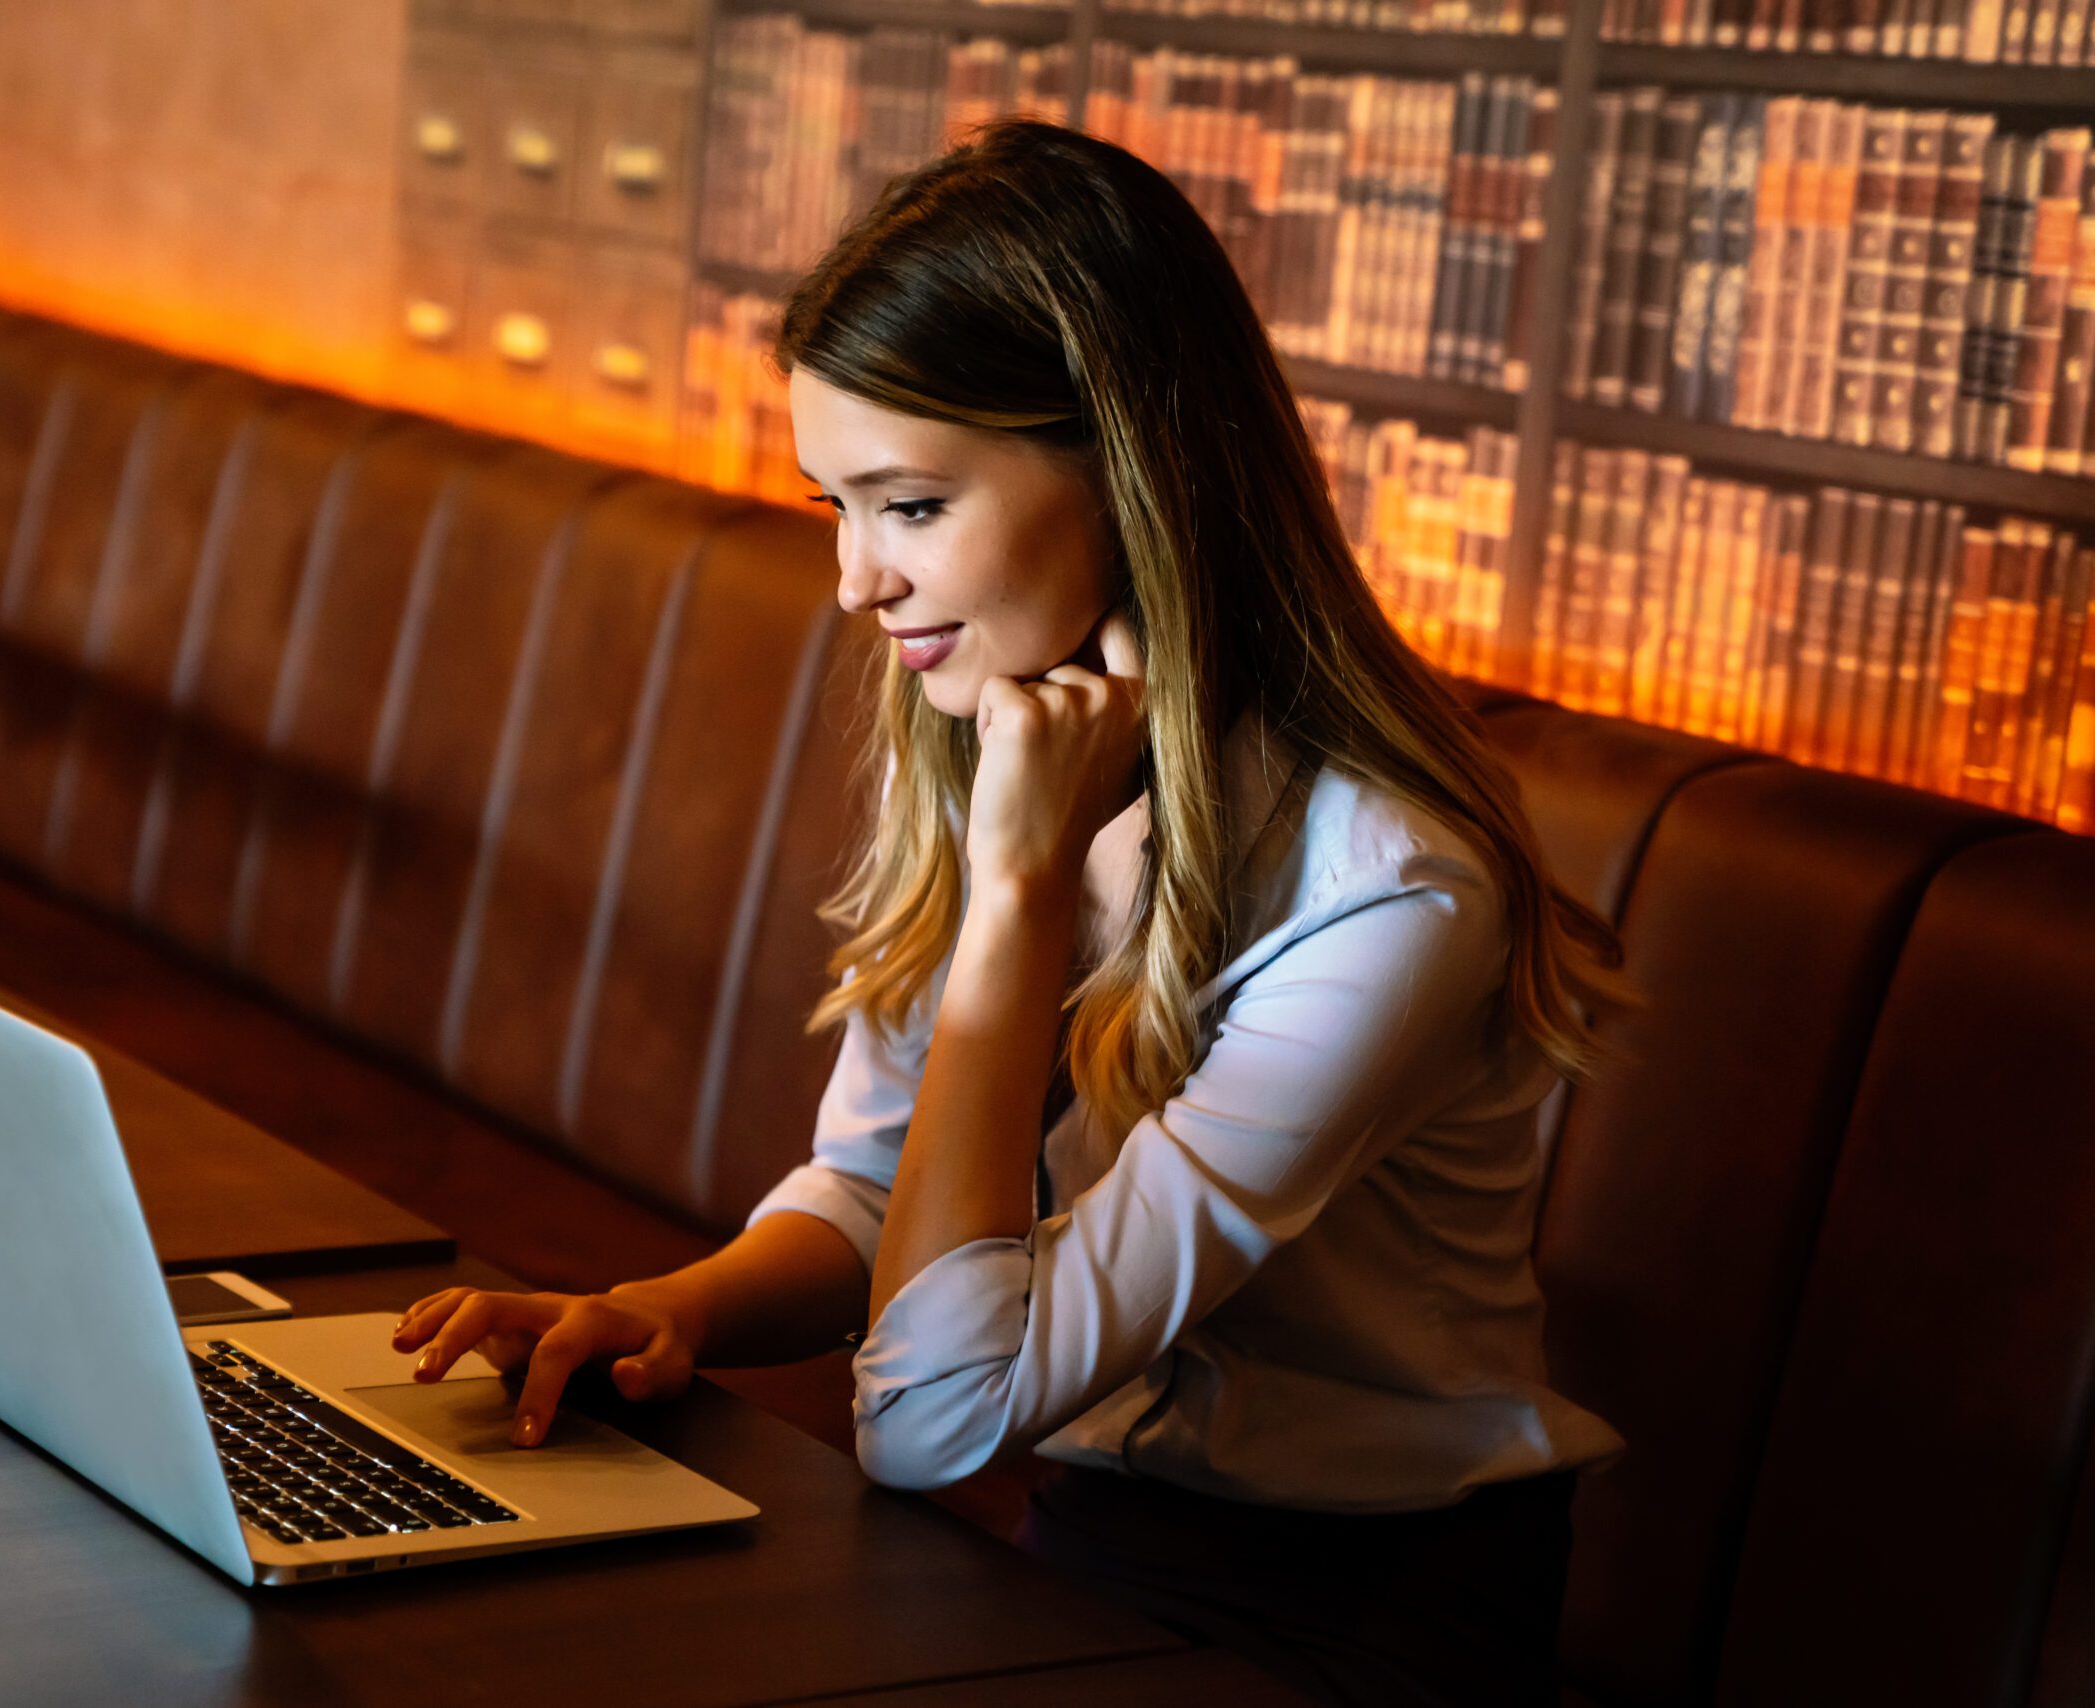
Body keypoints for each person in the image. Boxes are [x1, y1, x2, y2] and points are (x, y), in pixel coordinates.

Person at [389, 118, 1632, 1705]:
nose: (853, 581)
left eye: (907, 506)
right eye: (834, 505)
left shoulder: (1390, 891)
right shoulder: (1001, 726)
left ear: (1131, 470)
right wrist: (657, 1312)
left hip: (1365, 1606)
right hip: (1096, 1527)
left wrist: (1022, 891)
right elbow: (883, 1193)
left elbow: (929, 1414)